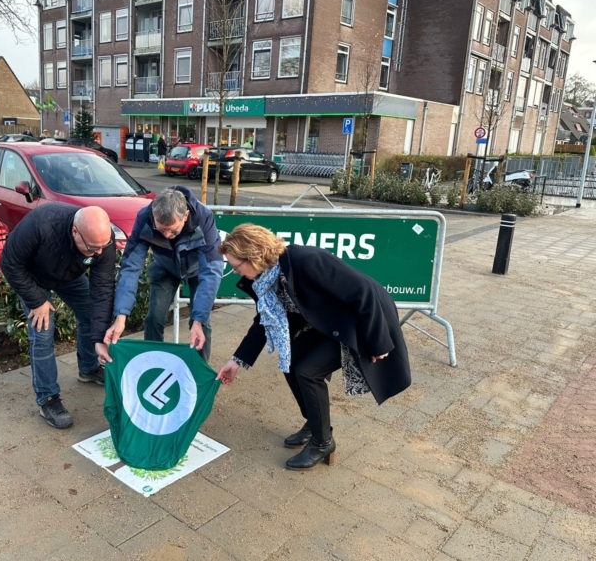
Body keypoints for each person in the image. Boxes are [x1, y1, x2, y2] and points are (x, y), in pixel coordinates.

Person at [215, 224, 411, 471]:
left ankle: (322, 442)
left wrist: (378, 340)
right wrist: (237, 361)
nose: (235, 272)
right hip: (328, 322)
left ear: (253, 254)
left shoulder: (306, 260)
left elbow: (365, 291)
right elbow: (262, 321)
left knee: (307, 371)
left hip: (360, 321)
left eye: (236, 265)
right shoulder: (265, 278)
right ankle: (315, 423)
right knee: (290, 362)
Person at [0, 204, 115, 429]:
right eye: (93, 247)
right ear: (75, 231)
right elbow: (10, 262)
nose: (99, 252)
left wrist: (100, 337)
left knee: (92, 313)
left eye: (103, 246)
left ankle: (89, 369)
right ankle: (48, 399)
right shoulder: (41, 223)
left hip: (69, 276)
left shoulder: (101, 241)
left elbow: (102, 290)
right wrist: (36, 301)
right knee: (42, 332)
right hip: (33, 279)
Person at [105, 187, 223, 361]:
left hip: (198, 270)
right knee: (153, 318)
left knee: (201, 322)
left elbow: (211, 270)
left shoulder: (203, 217)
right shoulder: (144, 217)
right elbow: (131, 266)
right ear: (154, 215)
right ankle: (154, 364)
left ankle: (199, 371)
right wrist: (120, 316)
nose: (167, 235)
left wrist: (198, 320)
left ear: (186, 216)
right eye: (161, 230)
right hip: (165, 266)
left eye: (173, 231)